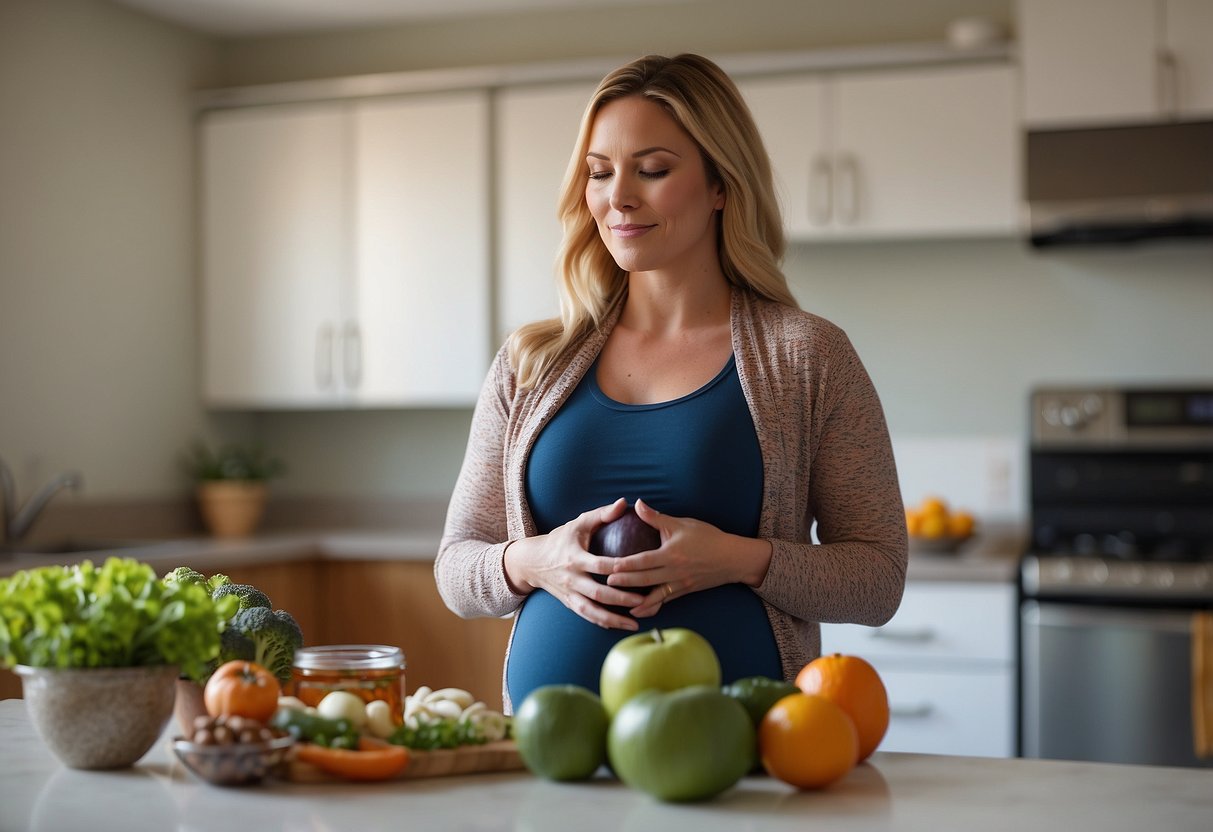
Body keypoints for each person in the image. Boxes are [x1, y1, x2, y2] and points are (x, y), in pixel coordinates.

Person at [435, 53, 907, 713]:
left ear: (720, 184)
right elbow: (456, 568)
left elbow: (878, 581)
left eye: (652, 170)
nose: (618, 197)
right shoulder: (531, 361)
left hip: (741, 758)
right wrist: (534, 562)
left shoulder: (807, 357)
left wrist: (741, 560)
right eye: (600, 173)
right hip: (549, 763)